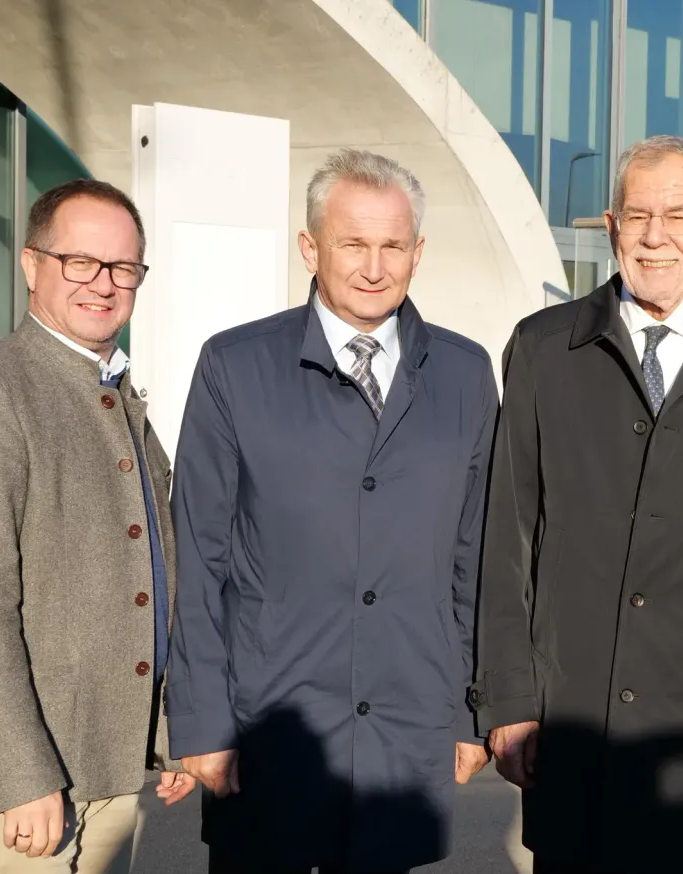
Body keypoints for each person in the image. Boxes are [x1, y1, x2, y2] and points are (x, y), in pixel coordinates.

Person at [471, 134, 683, 874]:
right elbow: (508, 538)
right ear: (610, 226)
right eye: (637, 216)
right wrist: (508, 700)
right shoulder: (542, 349)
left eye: (678, 216)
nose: (655, 237)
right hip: (569, 717)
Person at [166, 148, 496, 874]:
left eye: (392, 246)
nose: (374, 267)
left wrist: (473, 711)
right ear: (311, 247)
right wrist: (200, 721)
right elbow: (198, 556)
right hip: (270, 730)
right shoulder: (235, 366)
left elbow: (476, 564)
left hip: (405, 731)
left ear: (417, 251)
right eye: (353, 243)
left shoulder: (468, 374)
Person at [0, 179, 195, 872]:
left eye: (123, 267)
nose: (104, 283)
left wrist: (168, 727)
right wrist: (22, 774)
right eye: (79, 261)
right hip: (20, 780)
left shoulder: (109, 390)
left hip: (102, 755)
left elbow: (149, 571)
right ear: (32, 265)